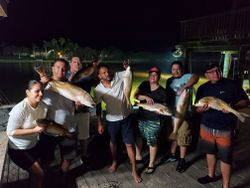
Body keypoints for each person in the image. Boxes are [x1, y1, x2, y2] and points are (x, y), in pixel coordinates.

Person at [195, 62, 249, 188]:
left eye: (217, 70)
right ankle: (211, 175)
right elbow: (197, 108)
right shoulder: (202, 88)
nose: (216, 73)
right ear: (206, 75)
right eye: (212, 72)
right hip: (206, 126)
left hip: (225, 128)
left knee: (226, 158)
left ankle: (226, 186)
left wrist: (233, 107)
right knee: (210, 152)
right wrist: (201, 110)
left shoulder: (232, 85)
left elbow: (245, 101)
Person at [94, 63, 142, 183]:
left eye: (107, 71)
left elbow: (130, 73)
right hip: (111, 120)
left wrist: (129, 68)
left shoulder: (118, 76)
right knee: (113, 142)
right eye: (104, 73)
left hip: (126, 117)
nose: (107, 74)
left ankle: (134, 169)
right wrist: (99, 123)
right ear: (99, 76)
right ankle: (115, 161)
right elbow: (98, 107)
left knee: (130, 144)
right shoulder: (98, 89)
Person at [39, 58, 77, 177]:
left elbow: (76, 108)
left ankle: (62, 178)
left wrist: (79, 105)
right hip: (49, 129)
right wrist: (41, 84)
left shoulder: (71, 86)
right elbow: (32, 101)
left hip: (68, 128)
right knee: (46, 159)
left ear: (66, 71)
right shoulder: (44, 86)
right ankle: (46, 179)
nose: (60, 70)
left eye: (63, 69)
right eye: (57, 67)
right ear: (52, 68)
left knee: (68, 158)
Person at [6, 80, 47, 188]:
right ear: (27, 92)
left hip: (33, 145)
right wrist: (34, 130)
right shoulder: (20, 109)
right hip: (18, 149)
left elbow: (41, 124)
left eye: (42, 91)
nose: (41, 94)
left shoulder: (44, 107)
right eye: (37, 91)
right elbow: (10, 132)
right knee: (39, 173)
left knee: (36, 174)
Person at [165, 61, 199, 173]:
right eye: (173, 69)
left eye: (178, 68)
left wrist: (184, 87)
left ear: (182, 69)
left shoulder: (187, 76)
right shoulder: (169, 81)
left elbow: (196, 77)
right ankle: (172, 154)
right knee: (175, 134)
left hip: (185, 114)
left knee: (183, 136)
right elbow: (168, 97)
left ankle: (182, 159)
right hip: (173, 113)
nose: (176, 71)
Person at [134, 66, 166, 174]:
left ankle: (151, 164)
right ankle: (138, 157)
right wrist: (145, 97)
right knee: (138, 137)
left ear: (159, 77)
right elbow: (136, 96)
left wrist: (160, 111)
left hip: (154, 120)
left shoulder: (162, 92)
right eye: (151, 74)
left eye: (155, 75)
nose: (153, 76)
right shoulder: (144, 84)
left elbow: (164, 107)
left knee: (151, 141)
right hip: (141, 117)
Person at [66, 56, 97, 164]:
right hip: (69, 111)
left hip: (83, 111)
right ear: (70, 64)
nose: (77, 64)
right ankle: (70, 155)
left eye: (79, 62)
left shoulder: (87, 79)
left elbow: (96, 81)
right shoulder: (64, 77)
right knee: (69, 134)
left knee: (84, 136)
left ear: (82, 66)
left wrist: (94, 69)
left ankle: (84, 155)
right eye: (74, 62)